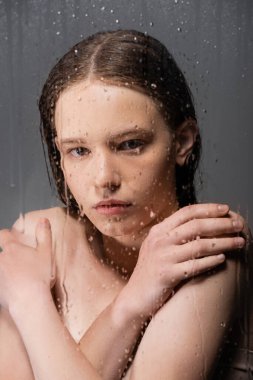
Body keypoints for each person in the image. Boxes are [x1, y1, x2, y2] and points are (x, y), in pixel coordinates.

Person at [0, 29, 251, 380]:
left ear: (181, 142)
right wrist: (131, 305)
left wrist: (30, 301)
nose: (104, 179)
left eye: (130, 144)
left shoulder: (208, 246)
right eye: (79, 151)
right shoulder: (38, 240)